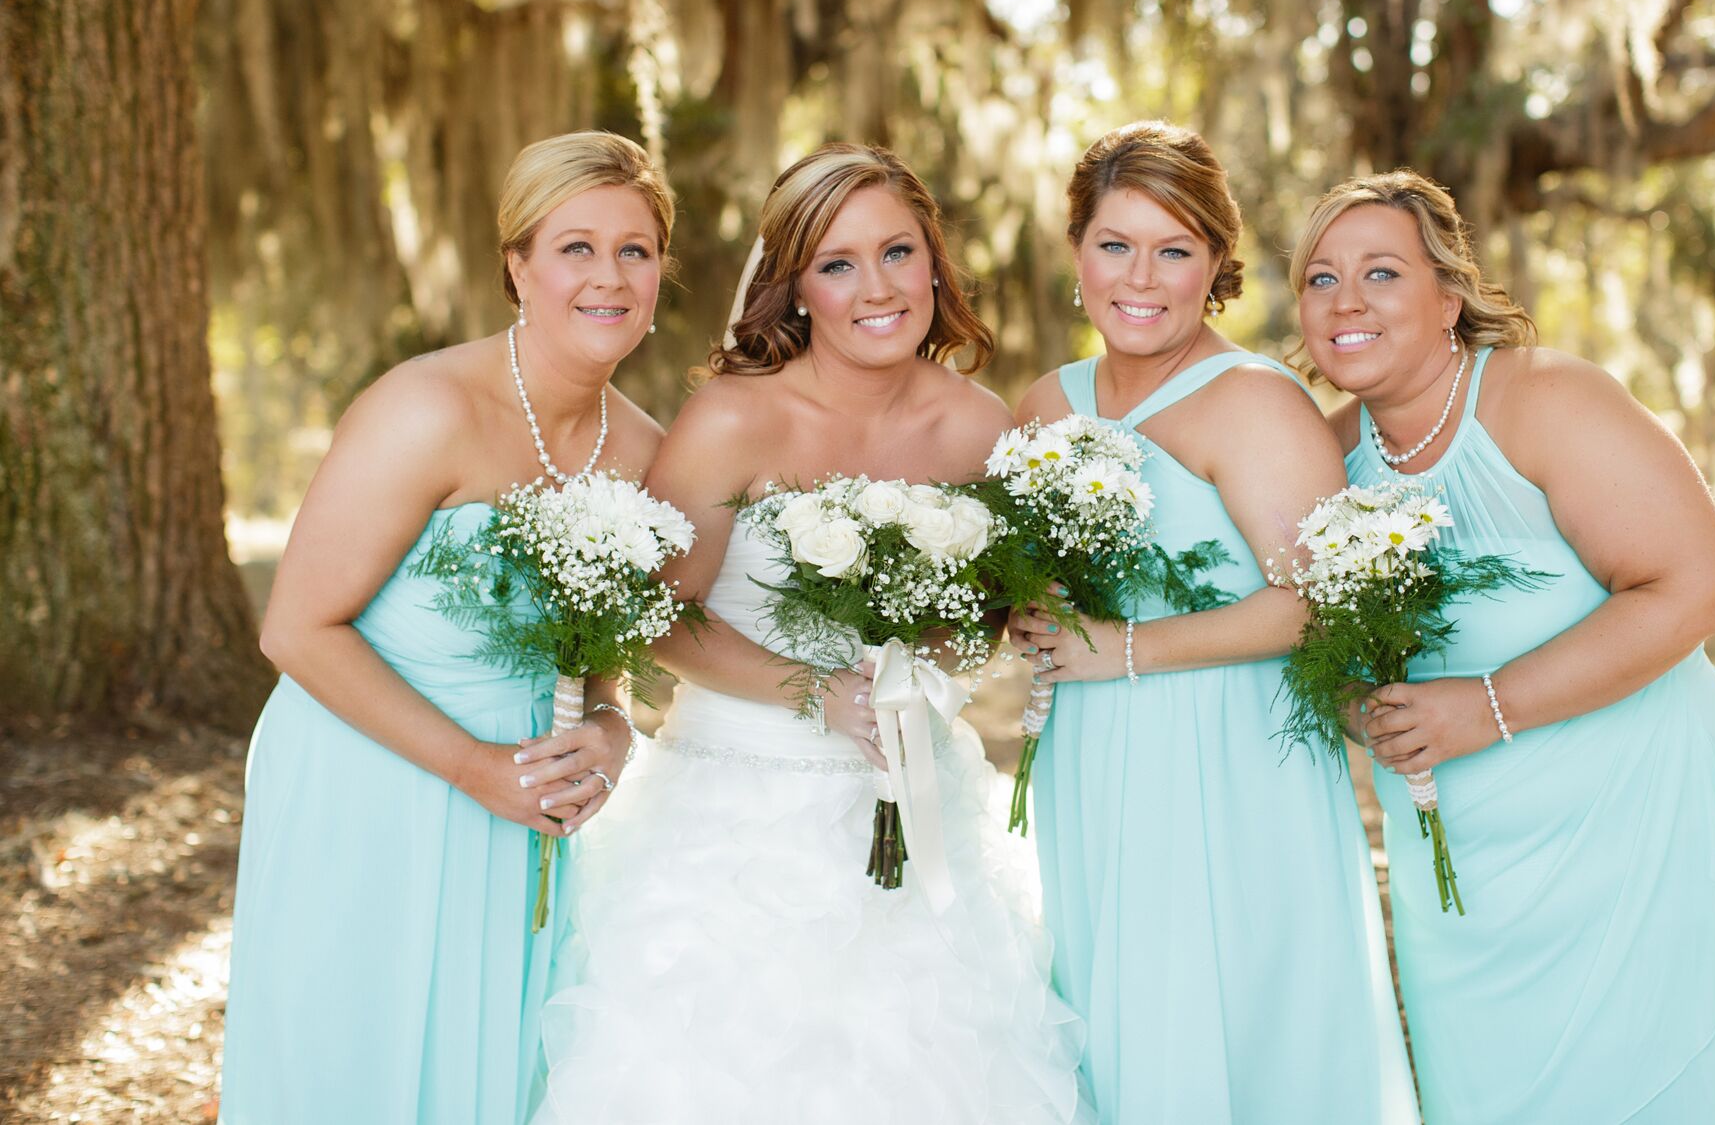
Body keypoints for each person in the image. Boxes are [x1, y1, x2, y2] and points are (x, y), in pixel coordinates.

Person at [533, 143, 1088, 1124]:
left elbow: (988, 619)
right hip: (733, 823)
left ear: (933, 266)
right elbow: (659, 613)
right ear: (793, 289)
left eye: (897, 253)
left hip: (920, 808)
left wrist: (921, 675)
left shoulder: (980, 427)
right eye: (836, 264)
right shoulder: (731, 420)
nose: (875, 287)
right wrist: (814, 688)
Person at [1291, 169, 1715, 1124]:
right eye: (1318, 278)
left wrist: (1488, 704)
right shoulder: (1324, 454)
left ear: (1449, 295)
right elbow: (1312, 639)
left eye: (1381, 272)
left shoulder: (1549, 400)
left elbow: (1695, 585)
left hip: (1628, 831)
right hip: (1461, 864)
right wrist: (1357, 703)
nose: (1346, 300)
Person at [221, 130, 673, 1123]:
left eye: (634, 250)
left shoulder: (643, 449)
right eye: (575, 248)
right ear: (516, 265)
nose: (607, 277)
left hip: (527, 805)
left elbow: (607, 662)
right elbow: (296, 628)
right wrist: (473, 766)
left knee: (500, 1073)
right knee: (359, 1056)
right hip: (368, 778)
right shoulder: (424, 408)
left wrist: (608, 729)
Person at [1006, 122, 1418, 1124]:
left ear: (1214, 266)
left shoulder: (1253, 404)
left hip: (1234, 762)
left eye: (1173, 249)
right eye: (1114, 244)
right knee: (1112, 1008)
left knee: (1236, 1013)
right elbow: (1025, 578)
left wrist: (1127, 648)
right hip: (1091, 755)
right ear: (1075, 254)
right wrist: (1028, 610)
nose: (1138, 276)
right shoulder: (1040, 405)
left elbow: (1317, 604)